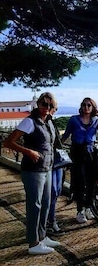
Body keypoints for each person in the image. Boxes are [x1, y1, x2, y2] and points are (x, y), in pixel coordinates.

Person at [3, 92, 61, 255]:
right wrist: (28, 151)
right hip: (33, 170)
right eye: (44, 104)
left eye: (50, 105)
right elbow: (8, 141)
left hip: (47, 168)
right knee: (34, 205)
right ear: (38, 104)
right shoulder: (29, 121)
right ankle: (33, 243)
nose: (46, 108)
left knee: (45, 204)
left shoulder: (49, 122)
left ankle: (42, 236)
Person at [61, 97, 98, 223]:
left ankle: (88, 207)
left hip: (91, 152)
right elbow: (65, 135)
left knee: (92, 181)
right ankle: (80, 210)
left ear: (93, 108)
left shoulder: (96, 120)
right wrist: (57, 148)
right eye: (84, 105)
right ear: (81, 106)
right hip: (77, 152)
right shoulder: (73, 120)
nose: (86, 107)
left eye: (89, 105)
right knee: (80, 182)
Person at [46, 107, 65, 236]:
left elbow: (58, 141)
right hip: (48, 161)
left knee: (57, 191)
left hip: (58, 160)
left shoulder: (52, 121)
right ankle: (50, 222)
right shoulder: (39, 122)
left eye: (52, 107)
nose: (50, 109)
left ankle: (51, 220)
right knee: (52, 191)